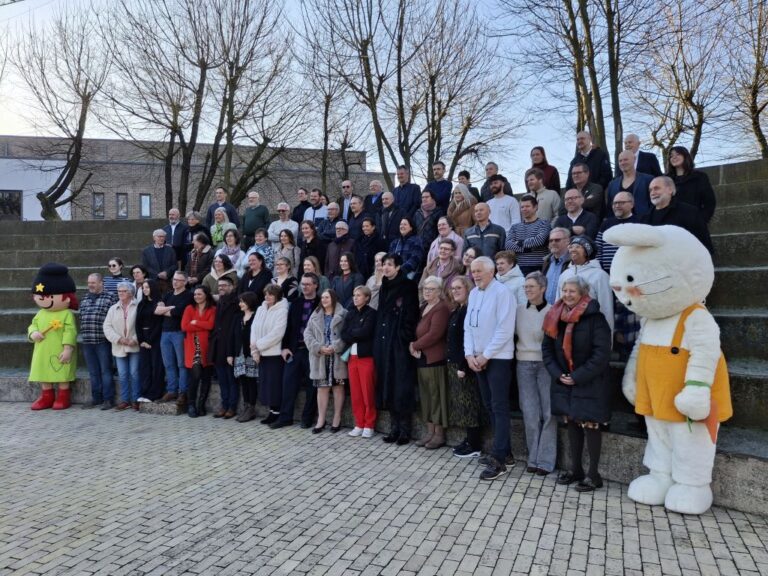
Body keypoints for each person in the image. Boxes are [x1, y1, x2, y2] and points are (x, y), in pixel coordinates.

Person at [542, 276, 611, 492]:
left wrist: (578, 376)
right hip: (564, 379)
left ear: (583, 293)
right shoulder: (555, 316)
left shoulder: (596, 319)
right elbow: (547, 349)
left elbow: (601, 354)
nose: (567, 295)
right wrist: (557, 374)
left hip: (589, 381)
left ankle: (593, 475)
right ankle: (576, 470)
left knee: (591, 426)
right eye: (565, 290)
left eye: (572, 291)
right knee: (571, 424)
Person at [464, 257, 516, 480]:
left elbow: (505, 330)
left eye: (479, 271)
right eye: (473, 271)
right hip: (477, 358)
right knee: (489, 405)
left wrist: (485, 355)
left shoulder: (502, 293)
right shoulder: (474, 293)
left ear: (492, 271)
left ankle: (499, 459)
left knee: (499, 406)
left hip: (498, 358)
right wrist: (469, 353)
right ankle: (506, 451)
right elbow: (468, 326)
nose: (475, 275)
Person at [374, 253, 420, 445]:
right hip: (385, 342)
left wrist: (403, 337)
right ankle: (393, 428)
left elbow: (411, 315)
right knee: (388, 384)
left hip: (398, 343)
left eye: (390, 264)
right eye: (384, 264)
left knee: (401, 385)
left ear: (398, 267)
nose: (386, 267)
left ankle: (404, 430)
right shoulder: (384, 285)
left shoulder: (408, 285)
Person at [515, 271, 556, 475]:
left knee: (548, 413)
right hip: (523, 364)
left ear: (543, 288)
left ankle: (546, 461)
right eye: (525, 287)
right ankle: (533, 458)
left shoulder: (552, 311)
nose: (527, 290)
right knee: (530, 413)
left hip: (545, 365)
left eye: (531, 286)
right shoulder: (518, 310)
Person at [271, 273, 321, 429]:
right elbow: (289, 327)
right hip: (295, 350)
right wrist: (285, 347)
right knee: (288, 384)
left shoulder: (321, 303)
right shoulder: (296, 303)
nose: (304, 287)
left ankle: (307, 418)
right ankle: (286, 418)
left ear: (315, 285)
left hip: (313, 351)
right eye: (303, 284)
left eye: (307, 284)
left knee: (312, 387)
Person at [410, 276, 451, 449]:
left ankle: (439, 434)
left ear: (440, 291)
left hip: (434, 358)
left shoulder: (441, 308)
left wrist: (414, 345)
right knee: (426, 397)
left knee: (436, 397)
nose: (427, 291)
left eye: (431, 289)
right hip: (422, 358)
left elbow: (435, 334)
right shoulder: (424, 307)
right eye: (425, 288)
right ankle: (429, 432)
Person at [446, 276, 485, 458]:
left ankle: (475, 444)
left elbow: (467, 340)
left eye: (458, 287)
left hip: (465, 365)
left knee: (470, 405)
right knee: (462, 405)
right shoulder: (458, 309)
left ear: (468, 288)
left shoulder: (468, 310)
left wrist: (463, 366)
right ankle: (468, 440)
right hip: (454, 363)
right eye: (452, 288)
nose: (455, 291)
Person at [305, 289, 348, 433]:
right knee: (321, 389)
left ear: (333, 298)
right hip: (320, 358)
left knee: (338, 387)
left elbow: (348, 334)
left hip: (337, 357)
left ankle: (337, 418)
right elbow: (307, 334)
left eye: (327, 297)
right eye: (322, 297)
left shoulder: (344, 314)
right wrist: (318, 347)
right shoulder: (315, 314)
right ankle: (321, 420)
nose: (324, 300)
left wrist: (336, 346)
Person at [341, 286, 378, 438]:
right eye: (354, 295)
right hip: (352, 358)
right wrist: (354, 333)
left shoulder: (372, 314)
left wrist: (353, 333)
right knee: (356, 393)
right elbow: (344, 334)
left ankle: (369, 424)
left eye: (359, 295)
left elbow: (365, 332)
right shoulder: (350, 314)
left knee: (367, 392)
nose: (355, 298)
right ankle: (359, 423)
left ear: (367, 298)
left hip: (366, 358)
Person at [641, 176, 714, 253]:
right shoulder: (645, 218)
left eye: (656, 188)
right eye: (650, 190)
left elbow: (703, 241)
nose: (652, 193)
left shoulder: (689, 212)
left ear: (670, 190)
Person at [558, 235, 614, 332]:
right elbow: (558, 304)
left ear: (587, 252)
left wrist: (607, 341)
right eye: (571, 247)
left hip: (591, 330)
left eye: (578, 247)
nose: (573, 249)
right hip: (566, 329)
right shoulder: (564, 274)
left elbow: (606, 309)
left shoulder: (600, 276)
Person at [251, 284, 289, 425]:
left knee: (274, 385)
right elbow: (254, 328)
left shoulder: (282, 310)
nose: (267, 297)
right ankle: (272, 411)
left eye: (271, 294)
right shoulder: (261, 308)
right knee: (265, 384)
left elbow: (277, 333)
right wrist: (255, 349)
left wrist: (259, 345)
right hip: (261, 353)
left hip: (274, 353)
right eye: (266, 294)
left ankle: (277, 412)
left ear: (277, 296)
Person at [79, 273, 117, 409]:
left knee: (106, 371)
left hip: (103, 341)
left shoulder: (111, 297)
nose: (90, 285)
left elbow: (114, 318)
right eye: (89, 282)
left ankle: (108, 399)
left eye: (93, 283)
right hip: (87, 341)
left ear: (101, 283)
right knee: (93, 371)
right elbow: (81, 316)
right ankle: (96, 398)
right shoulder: (84, 297)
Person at [155, 271, 193, 403]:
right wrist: (170, 308)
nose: (175, 281)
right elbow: (157, 311)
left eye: (178, 280)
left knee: (182, 364)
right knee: (168, 364)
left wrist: (167, 310)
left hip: (179, 332)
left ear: (185, 282)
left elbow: (178, 312)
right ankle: (171, 391)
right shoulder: (168, 295)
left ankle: (183, 392)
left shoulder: (189, 295)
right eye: (174, 279)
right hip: (165, 332)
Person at [103, 282, 140, 411]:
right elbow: (107, 327)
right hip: (119, 346)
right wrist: (119, 339)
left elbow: (142, 325)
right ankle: (125, 400)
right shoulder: (113, 308)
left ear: (130, 293)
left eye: (123, 291)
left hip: (134, 346)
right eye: (119, 291)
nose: (120, 293)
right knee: (123, 374)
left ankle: (136, 400)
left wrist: (135, 339)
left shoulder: (138, 306)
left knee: (134, 373)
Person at [181, 285, 216, 417]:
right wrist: (201, 323)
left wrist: (195, 322)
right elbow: (184, 326)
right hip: (193, 348)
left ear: (206, 295)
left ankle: (201, 405)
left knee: (206, 378)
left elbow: (211, 325)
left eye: (199, 294)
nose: (196, 296)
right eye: (195, 294)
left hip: (207, 348)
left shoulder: (213, 309)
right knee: (194, 377)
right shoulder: (189, 308)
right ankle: (191, 405)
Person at [208, 277, 240, 418]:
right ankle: (224, 405)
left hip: (231, 346)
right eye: (219, 285)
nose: (221, 287)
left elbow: (234, 329)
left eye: (224, 285)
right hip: (219, 345)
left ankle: (232, 407)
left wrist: (231, 351)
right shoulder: (220, 301)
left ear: (231, 286)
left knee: (231, 379)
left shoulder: (236, 303)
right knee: (222, 379)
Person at [666, 145, 717, 222]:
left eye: (678, 154)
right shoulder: (666, 179)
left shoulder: (699, 176)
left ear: (685, 156)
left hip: (693, 221)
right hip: (670, 223)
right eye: (671, 156)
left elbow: (709, 201)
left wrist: (702, 220)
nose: (674, 157)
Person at [505, 195, 552, 275]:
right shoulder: (515, 227)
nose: (524, 209)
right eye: (522, 207)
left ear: (535, 207)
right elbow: (508, 245)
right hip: (519, 267)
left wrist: (519, 242)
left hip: (539, 266)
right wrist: (526, 249)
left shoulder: (544, 223)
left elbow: (539, 240)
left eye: (527, 206)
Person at [135, 280, 165, 403]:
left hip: (155, 339)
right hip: (143, 339)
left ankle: (155, 393)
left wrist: (149, 340)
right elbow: (137, 323)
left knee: (156, 366)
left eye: (147, 287)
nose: (145, 289)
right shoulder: (142, 303)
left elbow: (159, 323)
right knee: (145, 367)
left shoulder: (159, 303)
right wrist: (141, 340)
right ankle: (145, 392)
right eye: (144, 288)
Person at [232, 292, 260, 422]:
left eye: (243, 301)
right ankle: (246, 406)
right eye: (240, 301)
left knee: (251, 381)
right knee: (243, 380)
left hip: (251, 353)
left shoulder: (257, 316)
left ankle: (251, 409)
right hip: (240, 353)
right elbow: (231, 336)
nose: (240, 304)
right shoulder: (238, 317)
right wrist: (230, 354)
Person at [606, 150, 653, 217]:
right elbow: (610, 208)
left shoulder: (648, 180)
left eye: (625, 160)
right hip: (619, 223)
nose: (623, 163)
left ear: (634, 159)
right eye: (620, 161)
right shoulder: (612, 184)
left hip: (642, 222)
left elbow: (653, 204)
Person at [541, 227, 571, 306]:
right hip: (546, 309)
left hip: (564, 309)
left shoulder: (573, 262)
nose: (553, 243)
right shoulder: (546, 261)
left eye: (557, 240)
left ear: (567, 241)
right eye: (551, 240)